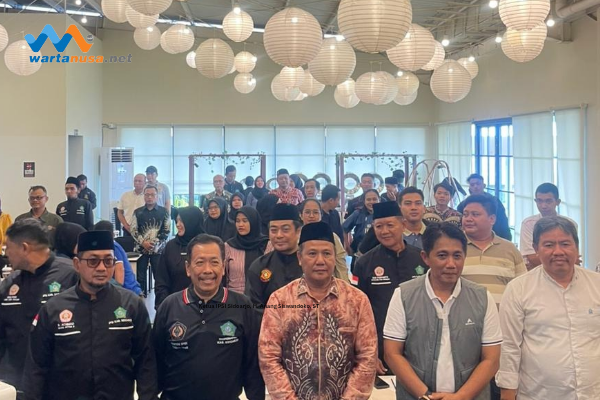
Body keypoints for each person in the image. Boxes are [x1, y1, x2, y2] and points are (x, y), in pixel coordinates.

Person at [23, 230, 158, 400]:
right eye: (93, 261)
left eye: (108, 261)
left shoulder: (131, 305)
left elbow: (146, 362)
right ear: (77, 264)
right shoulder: (53, 309)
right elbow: (36, 367)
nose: (101, 268)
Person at [259, 222, 377, 399]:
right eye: (312, 253)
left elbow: (368, 356)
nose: (320, 261)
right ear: (300, 257)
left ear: (334, 257)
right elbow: (269, 357)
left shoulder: (357, 300)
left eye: (327, 253)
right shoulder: (280, 300)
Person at [384, 223, 502, 400]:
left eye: (457, 256)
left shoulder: (482, 298)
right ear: (425, 257)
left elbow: (491, 359)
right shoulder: (403, 295)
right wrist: (426, 395)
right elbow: (392, 354)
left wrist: (461, 397)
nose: (451, 264)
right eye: (442, 256)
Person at [496, 216, 600, 400]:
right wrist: (507, 393)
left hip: (592, 393)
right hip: (538, 394)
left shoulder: (596, 284)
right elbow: (509, 346)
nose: (558, 251)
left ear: (576, 247)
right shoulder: (518, 289)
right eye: (549, 245)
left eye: (565, 244)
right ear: (536, 249)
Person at [153, 234, 265, 400]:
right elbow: (154, 362)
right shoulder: (169, 306)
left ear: (223, 267)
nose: (207, 270)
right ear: (188, 268)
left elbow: (252, 364)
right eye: (200, 263)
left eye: (214, 262)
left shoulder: (242, 306)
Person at [0, 219, 78, 392]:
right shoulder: (10, 284)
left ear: (24, 248)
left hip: (63, 382)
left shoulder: (71, 275)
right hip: (18, 382)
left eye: (8, 247)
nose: (6, 254)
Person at [354, 201, 426, 376]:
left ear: (403, 225)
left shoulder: (422, 259)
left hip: (419, 348)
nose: (384, 231)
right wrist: (369, 353)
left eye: (390, 225)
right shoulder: (364, 263)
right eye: (379, 226)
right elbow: (357, 312)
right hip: (381, 349)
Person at [461, 194, 526, 306]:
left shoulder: (510, 249)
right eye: (465, 214)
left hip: (503, 315)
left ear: (492, 219)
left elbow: (523, 287)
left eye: (475, 214)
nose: (468, 219)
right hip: (463, 315)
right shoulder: (454, 247)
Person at [245, 204, 303, 309]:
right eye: (274, 230)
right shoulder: (259, 266)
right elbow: (252, 307)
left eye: (285, 230)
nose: (279, 235)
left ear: (298, 231)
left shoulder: (309, 265)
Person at [519, 183, 578, 270]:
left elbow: (573, 254)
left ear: (558, 202)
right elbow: (531, 257)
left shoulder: (569, 223)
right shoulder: (528, 224)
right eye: (539, 201)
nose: (543, 206)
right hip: (535, 272)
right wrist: (563, 261)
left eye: (548, 201)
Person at [155, 206, 204, 308]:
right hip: (176, 307)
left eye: (181, 221)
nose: (177, 224)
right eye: (177, 221)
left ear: (192, 221)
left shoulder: (207, 245)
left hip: (205, 307)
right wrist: (163, 306)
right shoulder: (171, 246)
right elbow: (161, 281)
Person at [131, 185, 170, 296]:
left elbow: (166, 230)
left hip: (158, 250)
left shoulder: (164, 212)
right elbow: (133, 230)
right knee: (140, 277)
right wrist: (143, 242)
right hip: (141, 250)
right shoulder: (137, 212)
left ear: (157, 196)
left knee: (159, 277)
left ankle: (160, 301)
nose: (149, 197)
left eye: (152, 195)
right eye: (147, 195)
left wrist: (153, 243)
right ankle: (140, 300)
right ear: (144, 196)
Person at [300, 199, 349, 282]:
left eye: (316, 212)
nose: (311, 216)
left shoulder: (333, 237)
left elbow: (341, 266)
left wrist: (344, 286)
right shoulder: (296, 238)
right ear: (301, 215)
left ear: (321, 215)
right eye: (307, 212)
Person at [225, 206, 268, 294]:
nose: (240, 225)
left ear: (253, 222)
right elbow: (224, 276)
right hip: (235, 297)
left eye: (245, 221)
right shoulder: (229, 246)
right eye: (237, 221)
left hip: (262, 297)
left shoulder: (267, 244)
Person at [93, 220, 142, 296]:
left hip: (129, 293)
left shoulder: (113, 248)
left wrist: (116, 297)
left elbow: (119, 272)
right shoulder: (110, 246)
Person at [458, 174, 511, 241]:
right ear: (469, 188)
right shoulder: (462, 205)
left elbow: (503, 222)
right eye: (472, 185)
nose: (475, 187)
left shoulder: (495, 202)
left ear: (484, 186)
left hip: (495, 237)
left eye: (478, 184)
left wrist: (506, 239)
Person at [343, 188, 379, 255]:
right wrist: (347, 246)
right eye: (368, 199)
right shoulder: (358, 213)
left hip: (378, 250)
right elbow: (344, 229)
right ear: (364, 201)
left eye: (374, 199)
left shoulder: (384, 215)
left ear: (379, 200)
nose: (371, 202)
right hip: (359, 250)